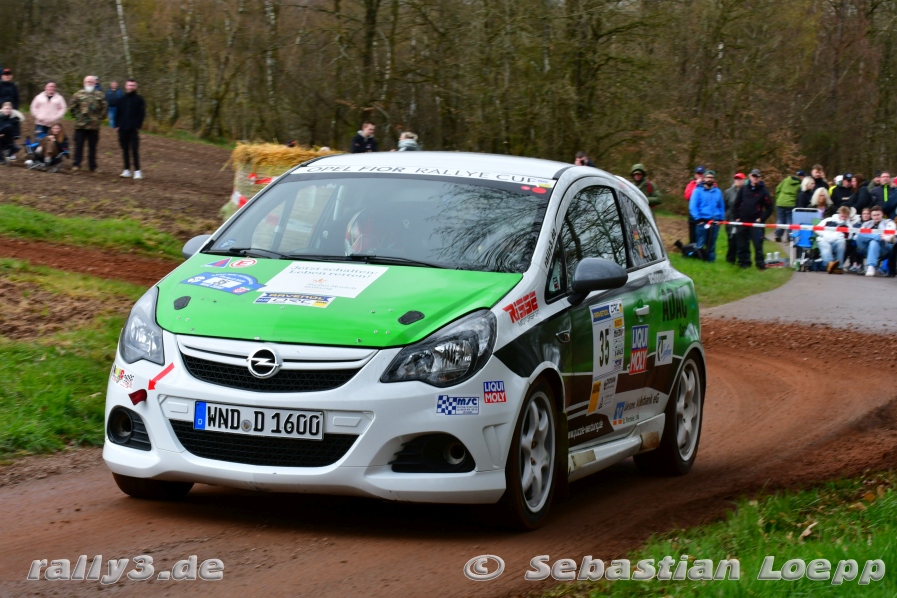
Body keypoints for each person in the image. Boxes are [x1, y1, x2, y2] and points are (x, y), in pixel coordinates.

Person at [733, 169, 773, 269]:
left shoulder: (763, 191)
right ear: (750, 176)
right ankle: (743, 263)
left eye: (757, 176)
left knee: (758, 245)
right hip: (742, 221)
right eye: (753, 176)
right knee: (742, 245)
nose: (755, 178)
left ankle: (760, 264)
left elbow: (770, 207)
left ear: (760, 178)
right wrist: (736, 217)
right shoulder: (743, 189)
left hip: (755, 223)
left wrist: (761, 218)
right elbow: (736, 204)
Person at [69, 76, 107, 173]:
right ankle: (76, 164)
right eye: (87, 81)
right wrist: (78, 117)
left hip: (94, 126)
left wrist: (99, 118)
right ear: (84, 83)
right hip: (80, 126)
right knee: (78, 146)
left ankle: (92, 166)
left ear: (95, 83)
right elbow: (72, 107)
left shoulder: (100, 95)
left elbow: (104, 108)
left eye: (91, 81)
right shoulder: (78, 94)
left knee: (92, 147)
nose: (89, 83)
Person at [689, 170, 725, 262]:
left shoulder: (718, 192)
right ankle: (699, 260)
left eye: (712, 178)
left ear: (714, 180)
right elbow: (693, 206)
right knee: (700, 243)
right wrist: (698, 219)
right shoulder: (697, 191)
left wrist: (721, 218)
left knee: (712, 243)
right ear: (704, 178)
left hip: (715, 222)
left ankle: (710, 261)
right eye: (708, 177)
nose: (710, 179)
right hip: (702, 221)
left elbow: (721, 206)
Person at [115, 79, 145, 179]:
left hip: (133, 129)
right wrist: (117, 125)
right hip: (122, 128)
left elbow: (142, 114)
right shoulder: (121, 99)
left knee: (134, 149)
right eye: (129, 85)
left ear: (135, 87)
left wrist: (138, 126)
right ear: (125, 86)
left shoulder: (139, 99)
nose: (131, 87)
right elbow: (117, 113)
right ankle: (126, 169)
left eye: (133, 85)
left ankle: (137, 171)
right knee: (125, 149)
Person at [854, 205, 896, 276]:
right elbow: (857, 236)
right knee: (860, 234)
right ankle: (878, 237)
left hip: (884, 247)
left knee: (873, 242)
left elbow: (891, 237)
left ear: (882, 214)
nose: (876, 217)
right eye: (874, 215)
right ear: (871, 216)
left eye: (878, 215)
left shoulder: (888, 222)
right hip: (866, 247)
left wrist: (871, 237)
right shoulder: (866, 224)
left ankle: (871, 267)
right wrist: (879, 237)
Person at [816, 206, 856, 274]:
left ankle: (838, 267)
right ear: (839, 214)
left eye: (845, 217)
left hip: (836, 242)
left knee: (842, 242)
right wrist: (824, 235)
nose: (843, 218)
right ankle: (831, 264)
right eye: (842, 216)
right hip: (824, 239)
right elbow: (817, 229)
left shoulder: (848, 226)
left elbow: (849, 237)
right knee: (825, 245)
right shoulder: (828, 220)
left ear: (848, 216)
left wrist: (839, 235)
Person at [774, 170, 803, 242]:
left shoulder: (786, 180)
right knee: (789, 220)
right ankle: (789, 236)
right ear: (801, 177)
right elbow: (798, 196)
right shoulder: (799, 185)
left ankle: (778, 235)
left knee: (780, 219)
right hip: (791, 204)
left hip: (780, 202)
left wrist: (778, 198)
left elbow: (777, 189)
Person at [723, 172, 746, 264]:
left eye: (740, 179)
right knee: (731, 239)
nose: (738, 181)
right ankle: (730, 259)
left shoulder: (747, 191)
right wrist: (726, 217)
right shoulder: (728, 192)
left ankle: (742, 260)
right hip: (731, 219)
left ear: (744, 180)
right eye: (736, 179)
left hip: (743, 219)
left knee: (742, 241)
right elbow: (725, 206)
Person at [684, 166, 706, 244]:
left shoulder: (710, 184)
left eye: (701, 173)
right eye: (698, 173)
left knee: (704, 237)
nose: (700, 175)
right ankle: (692, 249)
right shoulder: (691, 184)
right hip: (693, 215)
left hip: (705, 215)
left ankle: (701, 249)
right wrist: (696, 185)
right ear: (695, 175)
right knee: (693, 237)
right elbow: (687, 196)